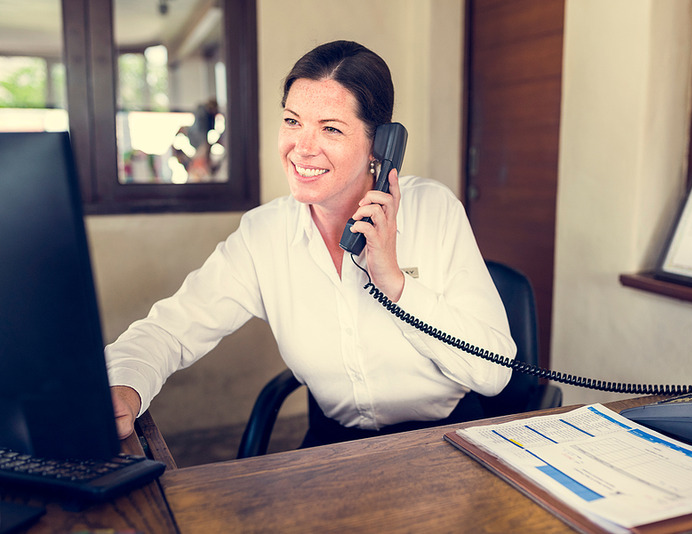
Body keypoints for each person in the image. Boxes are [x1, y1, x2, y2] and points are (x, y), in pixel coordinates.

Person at [107, 40, 514, 448]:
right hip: (334, 448)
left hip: (443, 441)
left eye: (331, 128)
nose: (302, 147)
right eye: (292, 121)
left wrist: (394, 282)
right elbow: (171, 329)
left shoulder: (435, 210)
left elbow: (494, 374)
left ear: (381, 144)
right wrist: (125, 386)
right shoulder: (264, 233)